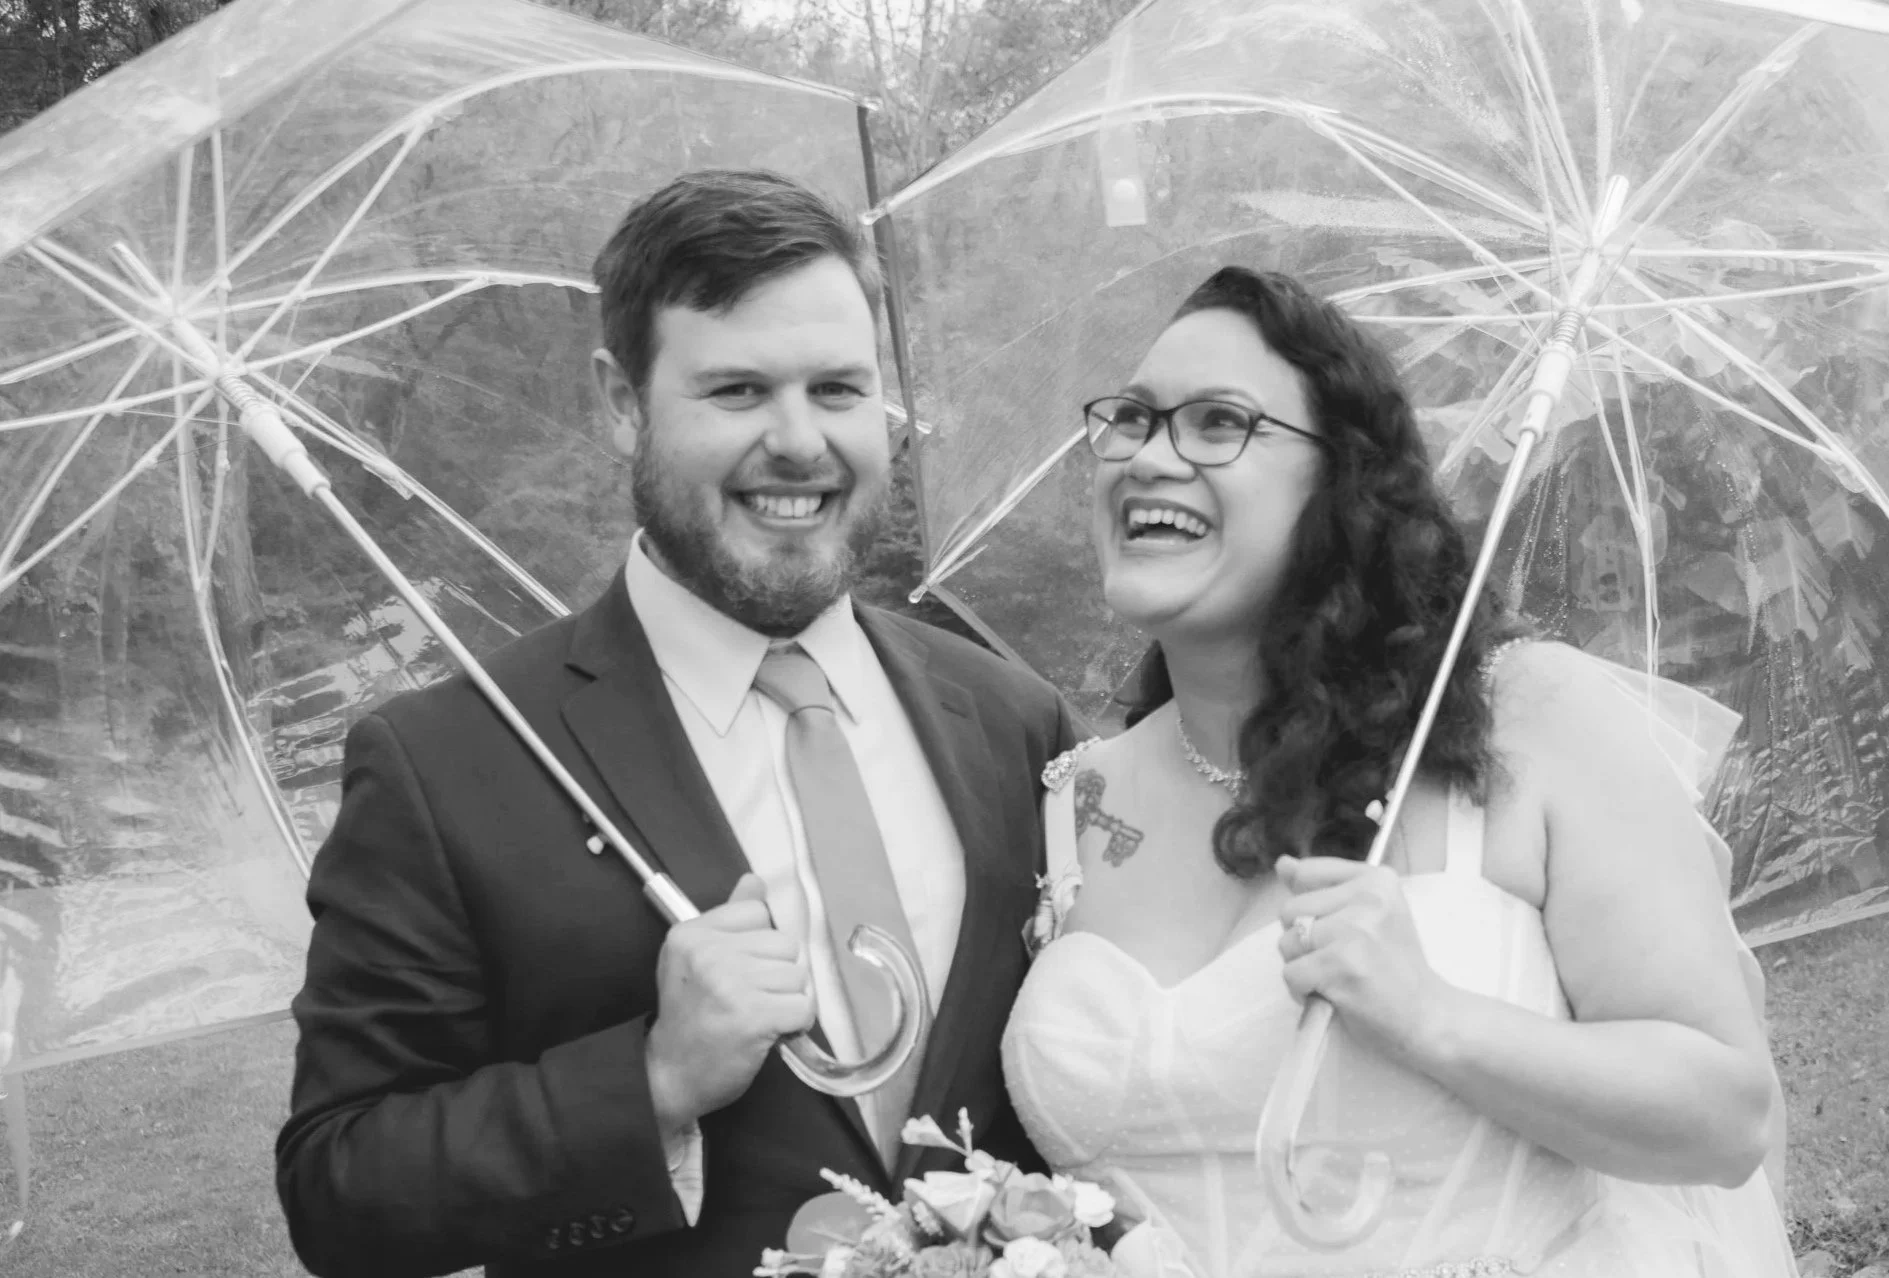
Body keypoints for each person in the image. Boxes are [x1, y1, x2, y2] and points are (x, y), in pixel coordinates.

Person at [276, 170, 1077, 1278]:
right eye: (738, 391)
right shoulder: (450, 764)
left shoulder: (1009, 717)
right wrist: (650, 1080)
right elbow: (340, 1188)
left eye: (839, 390)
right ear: (621, 400)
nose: (800, 444)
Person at [1003, 266, 1799, 1277]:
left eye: (1216, 424)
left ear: (1337, 481)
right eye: (1129, 419)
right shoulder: (1073, 795)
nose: (1149, 457)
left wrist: (1431, 1018)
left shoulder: (1531, 721)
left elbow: (1723, 1117)